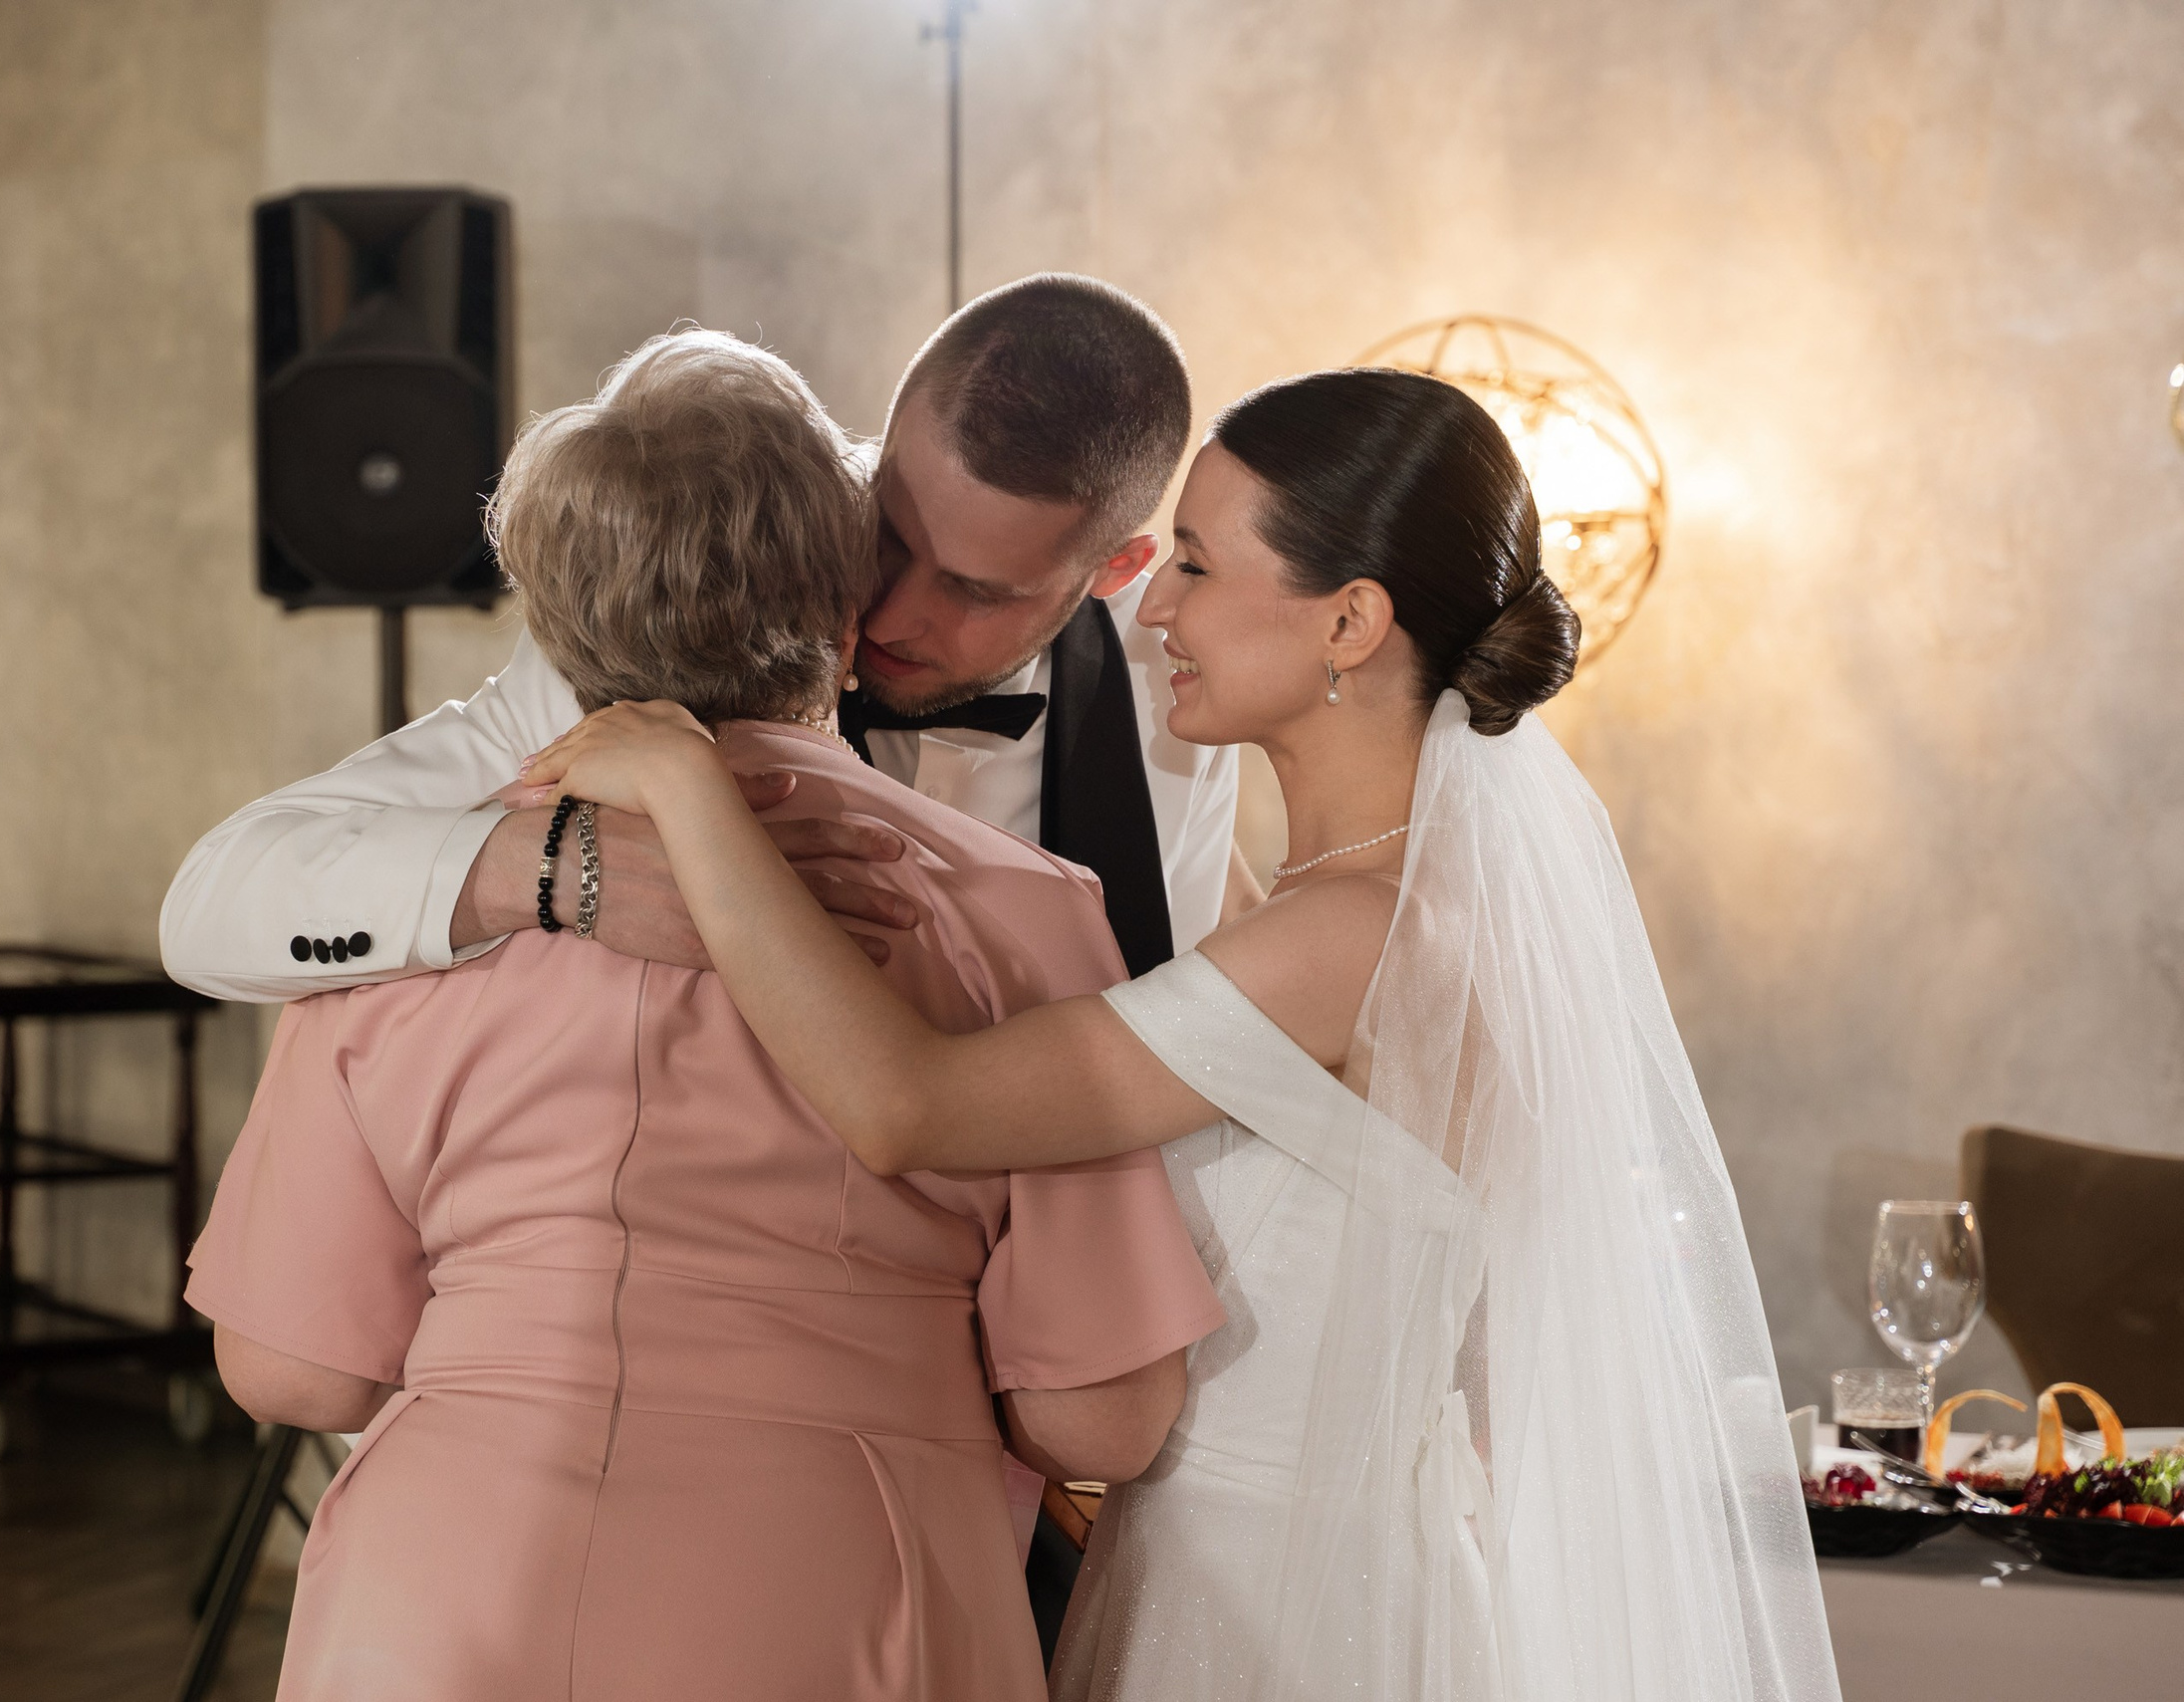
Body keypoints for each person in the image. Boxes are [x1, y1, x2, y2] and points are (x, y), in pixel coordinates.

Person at [518, 367, 1844, 1701]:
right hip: (1313, 1574)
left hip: (1271, 1613)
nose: (1153, 607)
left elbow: (909, 1102)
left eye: (1198, 567)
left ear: (1350, 620)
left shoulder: (1350, 940)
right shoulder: (1353, 915)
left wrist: (694, 795)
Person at [161, 271, 1246, 1640]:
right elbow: (216, 893)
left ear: (1116, 572)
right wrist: (555, 874)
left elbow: (1162, 1061)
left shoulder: (1184, 703)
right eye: (879, 537)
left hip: (946, 1491)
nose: (884, 611)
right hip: (867, 1534)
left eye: (972, 588)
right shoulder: (627, 649)